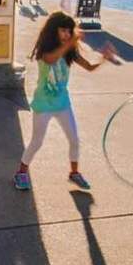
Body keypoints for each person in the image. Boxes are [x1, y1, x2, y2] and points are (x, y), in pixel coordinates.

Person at [14, 12, 113, 191]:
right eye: (63, 31)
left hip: (62, 104)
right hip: (43, 104)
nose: (67, 34)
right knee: (37, 141)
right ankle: (21, 172)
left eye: (69, 31)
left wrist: (103, 59)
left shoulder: (69, 51)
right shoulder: (46, 50)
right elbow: (51, 59)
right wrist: (70, 43)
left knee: (74, 139)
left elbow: (89, 67)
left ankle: (74, 173)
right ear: (54, 31)